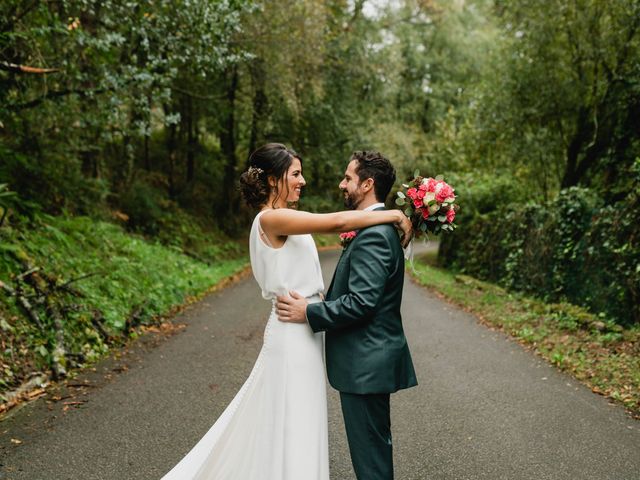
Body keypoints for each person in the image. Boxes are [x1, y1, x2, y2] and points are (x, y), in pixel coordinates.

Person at [160, 143, 412, 480]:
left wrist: (316, 307)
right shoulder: (272, 217)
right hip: (292, 331)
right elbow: (337, 221)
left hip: (303, 331)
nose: (302, 181)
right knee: (293, 421)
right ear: (275, 179)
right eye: (295, 174)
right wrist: (394, 214)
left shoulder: (288, 219)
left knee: (296, 422)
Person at [276, 150, 418, 480]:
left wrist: (310, 311)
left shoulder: (374, 236)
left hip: (365, 365)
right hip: (368, 363)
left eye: (348, 178)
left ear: (367, 184)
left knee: (371, 462)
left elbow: (362, 303)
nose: (342, 184)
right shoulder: (377, 229)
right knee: (374, 451)